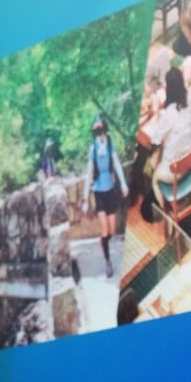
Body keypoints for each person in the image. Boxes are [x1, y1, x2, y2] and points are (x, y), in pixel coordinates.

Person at [83, 116, 129, 278]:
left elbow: (116, 163)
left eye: (101, 130)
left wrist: (123, 183)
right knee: (104, 229)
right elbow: (89, 172)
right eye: (96, 131)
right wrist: (85, 198)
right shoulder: (93, 149)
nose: (99, 134)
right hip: (99, 191)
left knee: (112, 230)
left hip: (110, 190)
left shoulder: (109, 144)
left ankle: (103, 242)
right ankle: (108, 262)